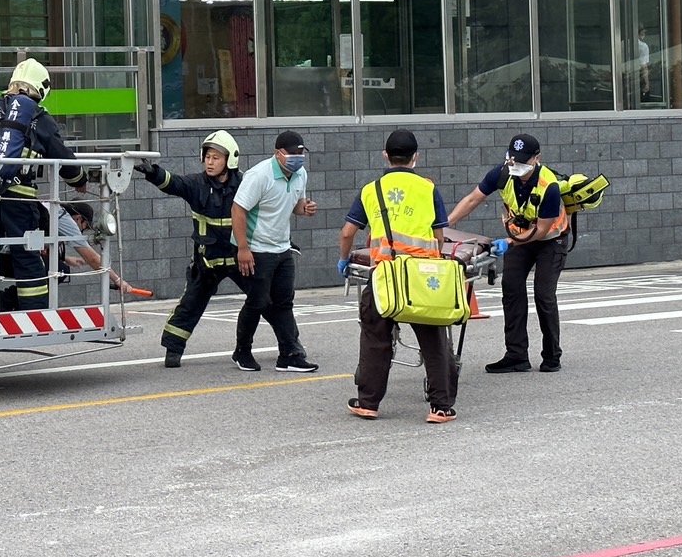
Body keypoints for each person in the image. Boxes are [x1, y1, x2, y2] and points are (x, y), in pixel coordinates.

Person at [337, 130, 458, 423]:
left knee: (375, 338)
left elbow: (347, 233)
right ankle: (440, 407)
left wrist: (344, 260)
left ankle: (368, 402)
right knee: (433, 341)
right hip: (420, 277)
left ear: (385, 156)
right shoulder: (429, 189)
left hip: (384, 276)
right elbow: (440, 237)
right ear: (416, 157)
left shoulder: (371, 190)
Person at [0, 58, 84, 314]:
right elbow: (64, 159)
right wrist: (79, 181)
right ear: (41, 89)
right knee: (26, 250)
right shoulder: (40, 118)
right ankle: (34, 311)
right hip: (18, 196)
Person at [445, 132, 570, 373]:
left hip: (550, 241)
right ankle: (516, 355)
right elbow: (473, 199)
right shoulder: (502, 173)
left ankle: (552, 354)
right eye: (512, 160)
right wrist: (444, 225)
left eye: (522, 161)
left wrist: (509, 243)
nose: (516, 165)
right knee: (511, 289)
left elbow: (542, 229)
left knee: (544, 295)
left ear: (537, 158)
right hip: (518, 236)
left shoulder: (549, 186)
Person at [137, 130, 252, 369]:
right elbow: (174, 183)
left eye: (216, 158)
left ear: (229, 160)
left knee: (267, 300)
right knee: (190, 306)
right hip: (206, 263)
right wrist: (154, 174)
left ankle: (289, 346)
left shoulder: (245, 184)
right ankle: (173, 350)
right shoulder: (197, 184)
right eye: (207, 157)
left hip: (238, 258)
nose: (209, 162)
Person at [229, 130, 319, 373]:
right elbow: (238, 210)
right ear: (278, 154)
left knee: (284, 302)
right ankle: (242, 351)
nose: (298, 158)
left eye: (301, 153)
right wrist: (243, 249)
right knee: (257, 302)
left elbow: (296, 206)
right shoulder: (259, 175)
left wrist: (305, 209)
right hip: (256, 248)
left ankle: (289, 354)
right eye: (292, 153)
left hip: (282, 246)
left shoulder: (300, 174)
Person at [50, 200, 152, 299]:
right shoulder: (66, 220)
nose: (81, 232)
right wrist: (117, 280)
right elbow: (93, 259)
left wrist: (66, 258)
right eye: (85, 227)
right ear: (78, 219)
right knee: (59, 270)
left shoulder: (54, 210)